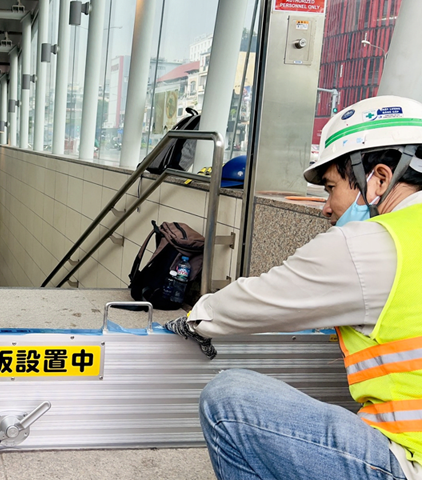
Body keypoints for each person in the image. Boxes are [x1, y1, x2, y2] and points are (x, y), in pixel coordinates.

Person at [164, 95, 422, 479]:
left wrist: (195, 319)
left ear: (379, 179)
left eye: (331, 187)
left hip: (407, 462)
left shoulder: (371, 244)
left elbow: (263, 298)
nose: (326, 207)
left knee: (230, 399)